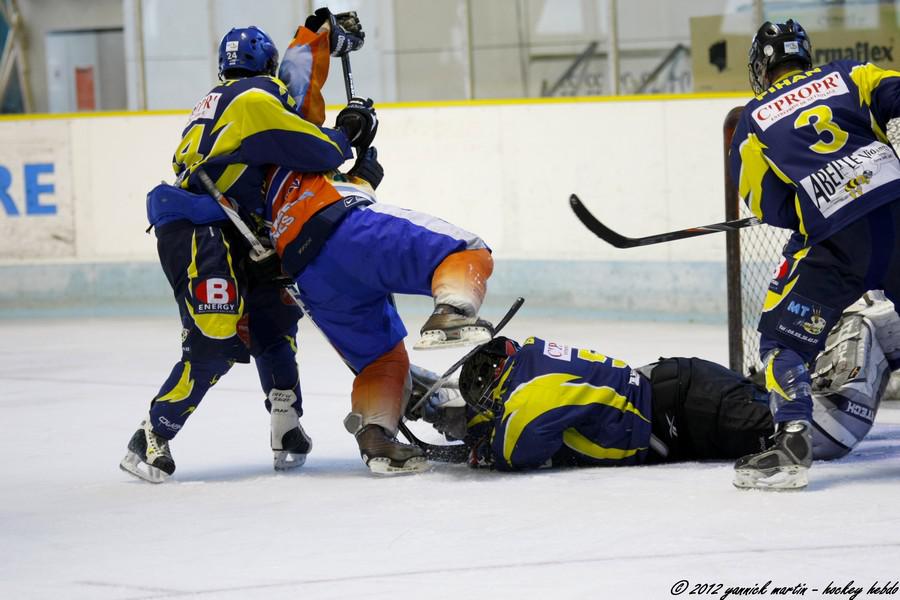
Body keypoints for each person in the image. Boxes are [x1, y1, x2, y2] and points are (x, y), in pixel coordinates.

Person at [120, 15, 366, 483]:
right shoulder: (256, 98)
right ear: (267, 66)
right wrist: (347, 135)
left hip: (231, 231)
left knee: (274, 320)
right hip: (203, 232)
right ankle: (151, 434)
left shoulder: (222, 100)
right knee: (216, 337)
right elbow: (312, 148)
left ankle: (286, 428)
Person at [262, 14, 494, 475]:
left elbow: (311, 188)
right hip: (343, 229)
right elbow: (297, 76)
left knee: (381, 361)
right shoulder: (277, 124)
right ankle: (451, 312)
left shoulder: (242, 165)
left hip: (309, 274)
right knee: (464, 250)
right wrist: (324, 29)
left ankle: (377, 440)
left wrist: (361, 174)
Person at [413, 294, 898, 477]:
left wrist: (467, 437)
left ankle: (873, 328)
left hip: (689, 413)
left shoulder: (533, 397)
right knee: (795, 408)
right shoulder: (531, 358)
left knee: (825, 434)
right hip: (682, 392)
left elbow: (514, 453)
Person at [727, 19, 900, 489]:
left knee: (781, 343)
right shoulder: (851, 74)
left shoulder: (753, 120)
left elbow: (767, 203)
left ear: (761, 67)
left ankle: (791, 443)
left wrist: (808, 206)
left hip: (835, 244)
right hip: (896, 213)